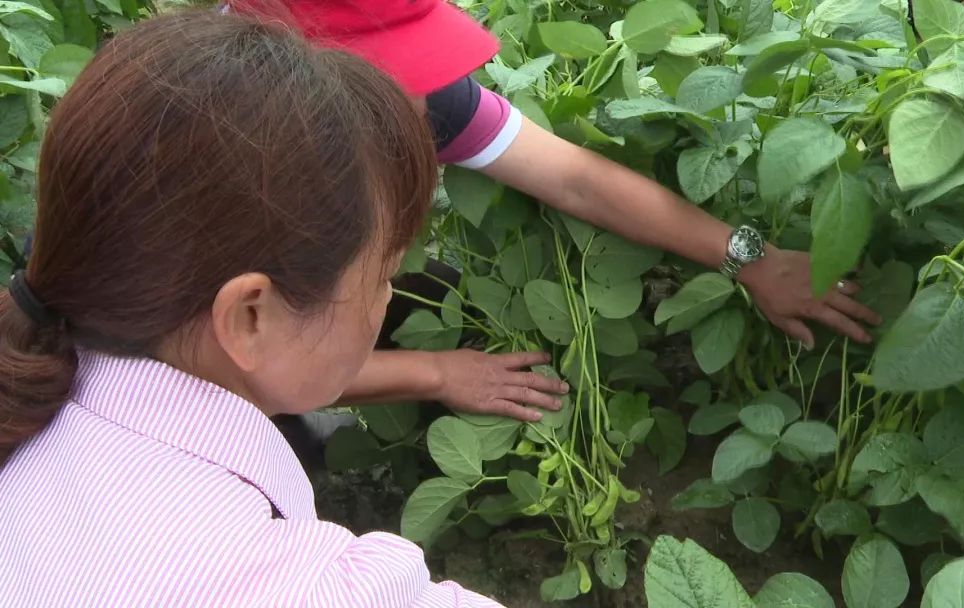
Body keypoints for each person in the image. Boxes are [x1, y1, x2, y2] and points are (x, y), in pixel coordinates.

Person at [0, 10, 500, 607]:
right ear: (249, 317)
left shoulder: (34, 410)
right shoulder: (300, 589)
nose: (388, 297)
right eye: (386, 274)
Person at [223, 1, 880, 435]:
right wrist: (436, 372)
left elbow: (576, 180)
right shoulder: (213, 165)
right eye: (396, 60)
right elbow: (231, 361)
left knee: (436, 285)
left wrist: (748, 258)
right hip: (184, 401)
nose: (424, 98)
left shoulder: (414, 96)